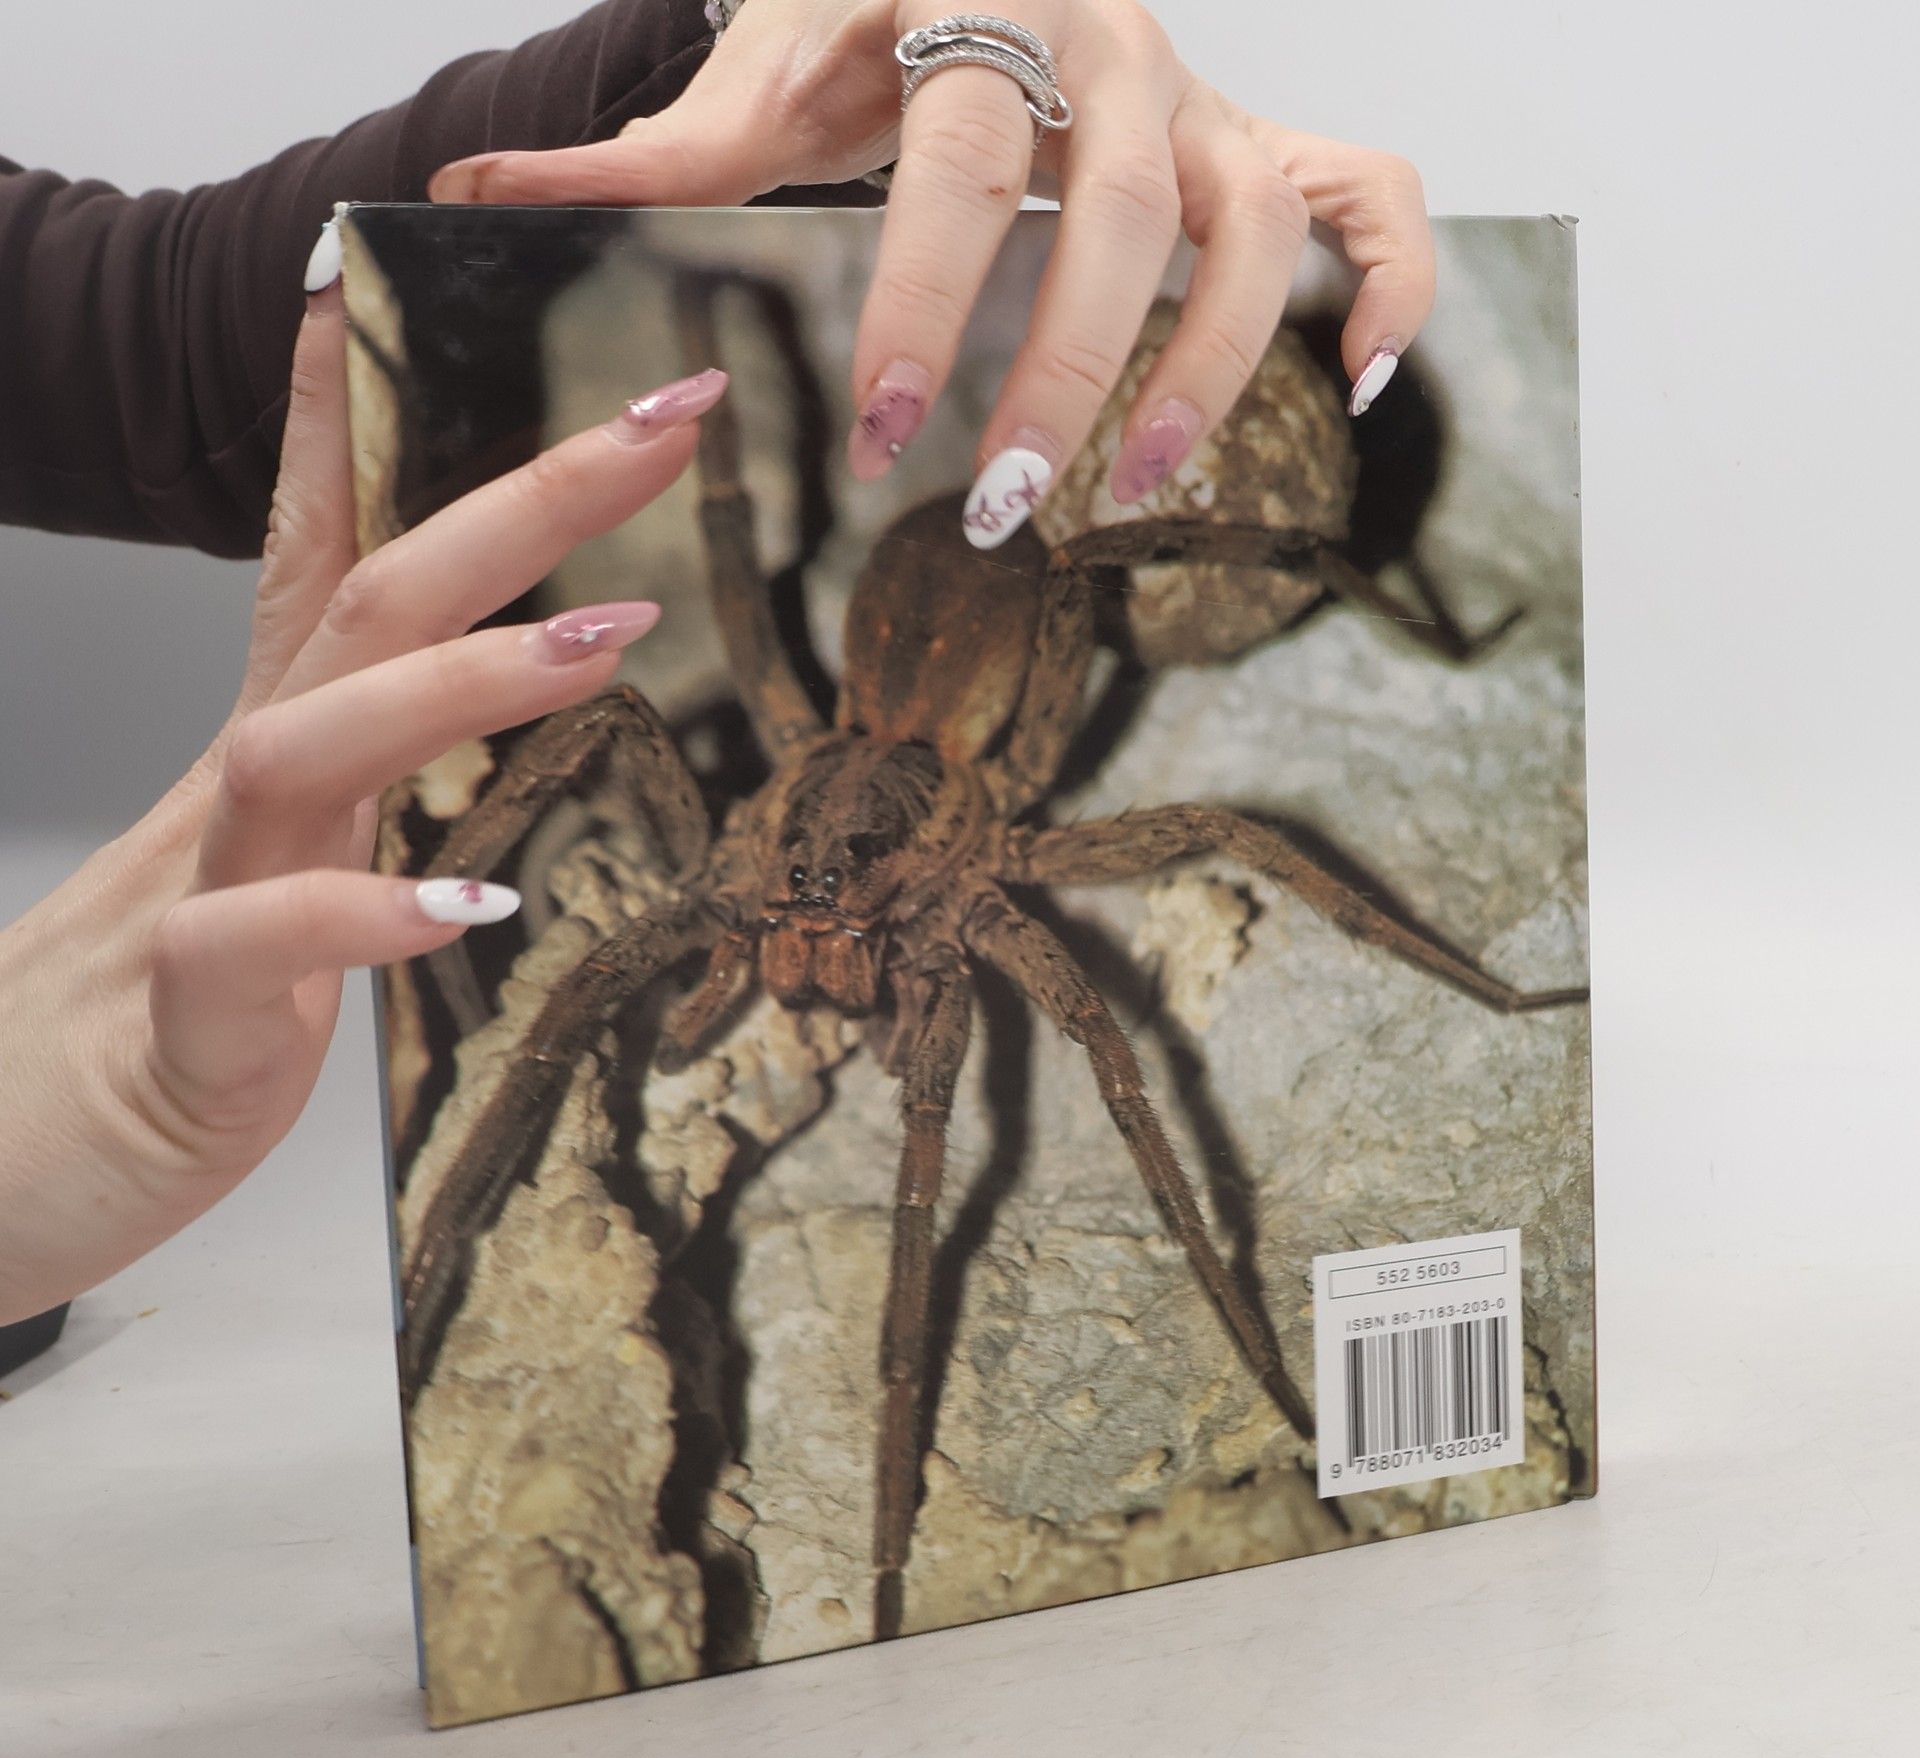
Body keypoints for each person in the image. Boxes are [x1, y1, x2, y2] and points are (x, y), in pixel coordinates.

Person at [0, 0, 1435, 1328]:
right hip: (904, 677)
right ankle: (434, 1282)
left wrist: (749, 46)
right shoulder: (744, 845)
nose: (817, 927)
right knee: (580, 959)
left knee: (1068, 1018)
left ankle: (1224, 1311)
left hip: (955, 685)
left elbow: (140, 339)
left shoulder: (994, 850)